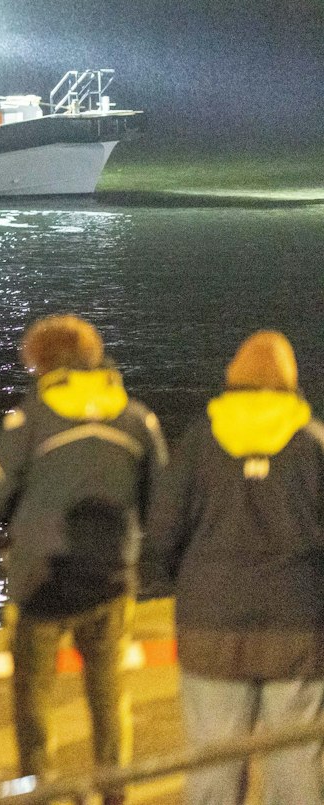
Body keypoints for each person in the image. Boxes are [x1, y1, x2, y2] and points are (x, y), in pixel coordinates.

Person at [0, 315, 166, 798]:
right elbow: (158, 505)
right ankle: (113, 790)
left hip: (40, 580)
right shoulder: (137, 419)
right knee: (108, 696)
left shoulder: (29, 418)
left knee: (34, 698)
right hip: (110, 578)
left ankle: (39, 787)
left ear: (40, 362)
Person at [146, 330, 324, 804]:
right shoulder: (314, 446)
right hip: (298, 629)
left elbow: (163, 530)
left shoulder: (200, 441)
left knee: (213, 766)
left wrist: (166, 581)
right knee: (298, 764)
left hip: (210, 627)